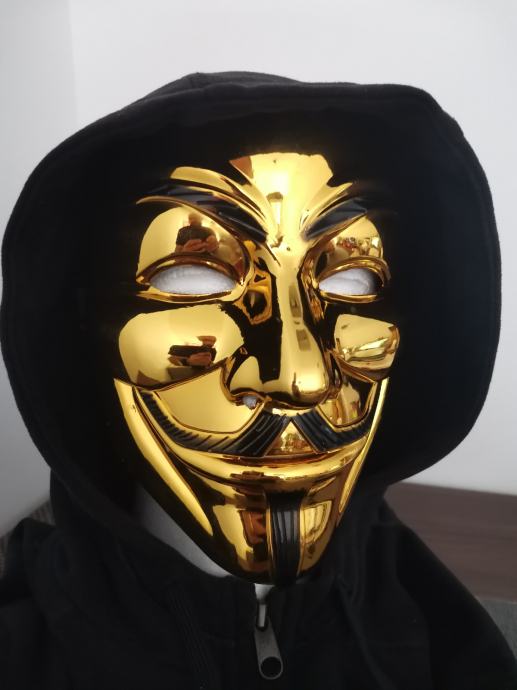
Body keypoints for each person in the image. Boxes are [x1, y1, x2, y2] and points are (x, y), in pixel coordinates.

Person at [0, 71, 516, 690]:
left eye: (350, 278)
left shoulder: (436, 631)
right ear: (80, 324)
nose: (300, 378)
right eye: (195, 277)